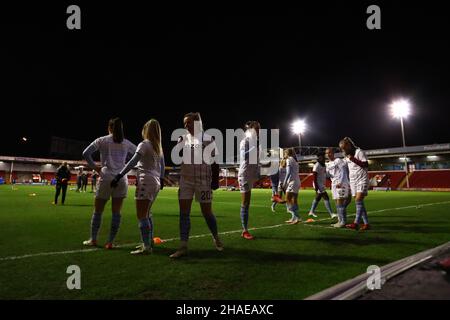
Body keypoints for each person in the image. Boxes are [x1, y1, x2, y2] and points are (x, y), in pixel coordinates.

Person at [170, 112, 223, 258]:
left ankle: (216, 236)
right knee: (184, 214)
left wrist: (215, 181)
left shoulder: (207, 139)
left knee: (207, 213)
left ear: (197, 122)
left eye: (189, 122)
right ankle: (183, 246)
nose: (186, 125)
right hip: (185, 180)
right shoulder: (183, 138)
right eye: (185, 123)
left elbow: (215, 160)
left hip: (203, 181)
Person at [111, 119, 165, 255]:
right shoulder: (158, 146)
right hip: (155, 181)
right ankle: (148, 242)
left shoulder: (145, 144)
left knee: (142, 215)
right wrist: (162, 179)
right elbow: (162, 166)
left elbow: (132, 162)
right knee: (147, 213)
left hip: (146, 180)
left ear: (146, 130)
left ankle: (146, 246)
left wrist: (119, 175)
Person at [82, 118, 137, 249]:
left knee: (98, 211)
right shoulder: (126, 143)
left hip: (106, 177)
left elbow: (85, 153)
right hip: (122, 178)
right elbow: (137, 156)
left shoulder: (102, 140)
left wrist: (95, 168)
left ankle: (93, 239)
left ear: (109, 128)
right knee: (116, 212)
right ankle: (110, 242)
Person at [238, 121, 264, 240]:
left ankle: (245, 229)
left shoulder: (256, 143)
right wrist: (253, 148)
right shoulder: (245, 141)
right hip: (244, 174)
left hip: (251, 175)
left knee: (247, 203)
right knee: (245, 203)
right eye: (256, 129)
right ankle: (244, 230)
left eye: (259, 129)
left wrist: (258, 174)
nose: (258, 131)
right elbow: (244, 156)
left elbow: (256, 161)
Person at [339, 137, 370, 231]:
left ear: (349, 145)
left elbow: (366, 164)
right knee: (359, 202)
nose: (343, 150)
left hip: (362, 179)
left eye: (344, 148)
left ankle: (356, 223)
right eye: (342, 149)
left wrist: (352, 159)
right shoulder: (346, 155)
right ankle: (366, 224)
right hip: (353, 181)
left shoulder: (359, 152)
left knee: (358, 199)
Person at [325, 148, 351, 228]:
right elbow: (328, 176)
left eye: (329, 152)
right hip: (334, 185)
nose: (328, 154)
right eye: (327, 153)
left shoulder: (338, 160)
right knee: (337, 204)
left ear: (333, 153)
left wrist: (340, 182)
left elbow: (343, 171)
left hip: (341, 184)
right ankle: (340, 221)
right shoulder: (328, 164)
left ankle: (343, 222)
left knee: (340, 203)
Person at [307, 152, 336, 219]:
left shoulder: (324, 165)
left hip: (321, 184)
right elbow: (314, 177)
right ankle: (331, 214)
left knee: (318, 198)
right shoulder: (316, 165)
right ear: (319, 158)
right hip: (318, 184)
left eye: (323, 156)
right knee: (326, 197)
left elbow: (325, 175)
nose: (323, 158)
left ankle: (311, 211)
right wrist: (316, 187)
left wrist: (331, 181)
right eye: (322, 157)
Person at [280, 148, 301, 224]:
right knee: (294, 200)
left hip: (293, 182)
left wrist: (284, 183)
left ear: (287, 153)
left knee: (287, 199)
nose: (284, 155)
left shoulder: (289, 160)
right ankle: (294, 218)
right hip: (297, 181)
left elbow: (288, 173)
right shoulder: (295, 160)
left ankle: (297, 217)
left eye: (284, 153)